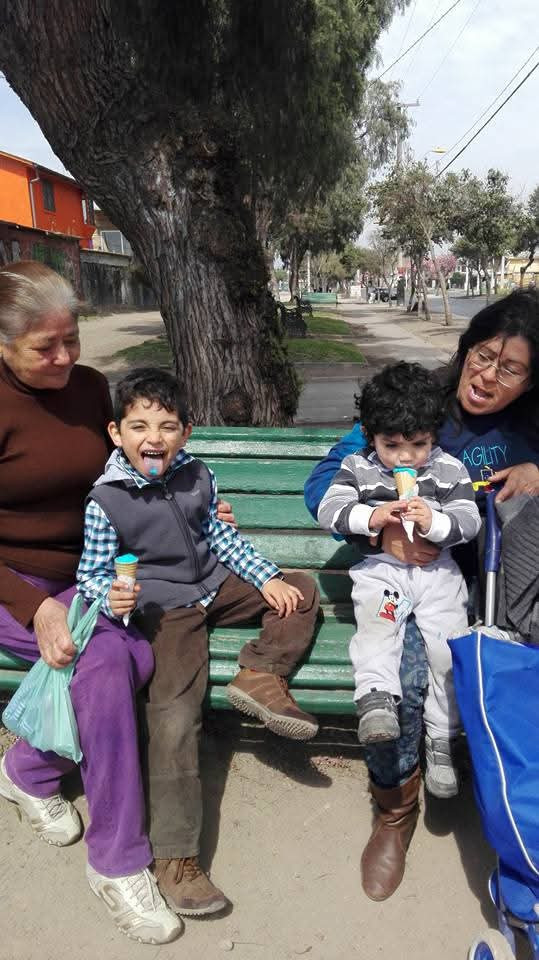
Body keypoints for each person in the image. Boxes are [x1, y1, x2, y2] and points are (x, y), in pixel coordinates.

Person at [304, 289, 539, 903]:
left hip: (501, 586)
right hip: (407, 578)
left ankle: (511, 805)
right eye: (482, 356)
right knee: (405, 676)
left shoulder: (530, 427)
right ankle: (394, 807)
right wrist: (379, 529)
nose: (487, 377)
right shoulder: (417, 402)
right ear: (465, 349)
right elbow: (326, 482)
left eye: (511, 369)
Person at [76, 367, 320, 917]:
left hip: (215, 584)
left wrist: (266, 578)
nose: (154, 438)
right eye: (140, 426)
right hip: (165, 608)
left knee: (300, 591)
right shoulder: (106, 499)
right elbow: (91, 574)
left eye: (167, 426)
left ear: (185, 431)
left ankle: (261, 674)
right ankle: (176, 857)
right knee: (174, 718)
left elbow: (222, 538)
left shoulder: (196, 473)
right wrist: (112, 596)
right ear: (117, 433)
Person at [0, 261, 186, 944]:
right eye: (44, 346)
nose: (64, 357)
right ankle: (118, 862)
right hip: (10, 583)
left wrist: (190, 504)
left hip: (86, 572)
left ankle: (27, 768)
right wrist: (35, 607)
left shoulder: (88, 388)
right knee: (103, 669)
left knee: (130, 657)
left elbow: (128, 468)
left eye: (71, 339)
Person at [317, 363, 480, 798]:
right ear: (370, 436)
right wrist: (372, 517)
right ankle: (375, 699)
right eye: (391, 446)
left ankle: (442, 737)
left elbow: (469, 521)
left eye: (419, 444)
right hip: (383, 572)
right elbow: (330, 509)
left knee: (448, 651)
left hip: (438, 574)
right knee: (377, 629)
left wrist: (436, 522)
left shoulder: (449, 469)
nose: (405, 458)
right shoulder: (358, 466)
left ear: (434, 437)